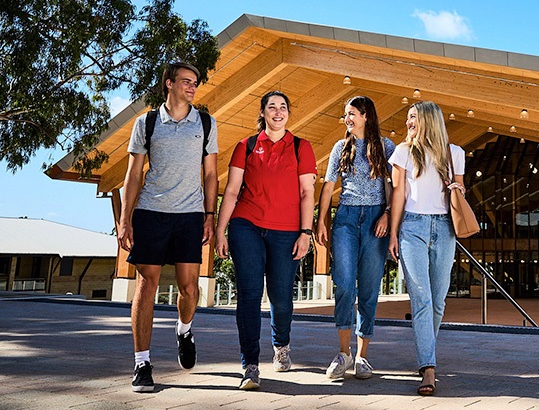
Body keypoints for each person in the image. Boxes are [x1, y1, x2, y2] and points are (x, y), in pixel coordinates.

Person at [117, 61, 218, 393]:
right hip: (151, 212)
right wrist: (125, 218)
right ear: (169, 84)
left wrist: (209, 215)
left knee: (189, 288)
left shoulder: (205, 122)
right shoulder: (145, 122)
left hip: (189, 214)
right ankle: (142, 363)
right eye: (187, 82)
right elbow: (133, 174)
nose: (192, 87)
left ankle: (184, 329)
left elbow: (211, 175)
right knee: (147, 284)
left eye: (195, 83)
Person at [214, 90, 317, 390]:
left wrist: (306, 233)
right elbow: (232, 192)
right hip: (246, 225)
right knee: (249, 293)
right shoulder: (245, 146)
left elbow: (307, 193)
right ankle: (250, 365)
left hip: (286, 231)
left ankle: (281, 344)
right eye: (271, 107)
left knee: (281, 298)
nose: (277, 111)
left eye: (283, 107)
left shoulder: (301, 147)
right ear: (262, 113)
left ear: (288, 113)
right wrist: (221, 230)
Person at [387, 101, 465, 397]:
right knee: (421, 298)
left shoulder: (454, 153)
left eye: (414, 118)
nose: (409, 122)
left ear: (430, 121)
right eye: (408, 117)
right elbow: (399, 194)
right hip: (412, 227)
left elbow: (459, 190)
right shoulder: (403, 152)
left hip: (445, 228)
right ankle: (428, 367)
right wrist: (393, 234)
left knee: (438, 301)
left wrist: (457, 188)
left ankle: (425, 354)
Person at [316, 96, 396, 380]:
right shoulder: (340, 147)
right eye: (345, 114)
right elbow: (328, 187)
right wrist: (321, 222)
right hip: (346, 219)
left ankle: (362, 357)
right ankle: (343, 354)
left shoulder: (386, 147)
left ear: (365, 115)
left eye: (351, 114)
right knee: (345, 285)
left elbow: (395, 187)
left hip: (376, 220)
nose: (347, 118)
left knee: (369, 289)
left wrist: (387, 214)